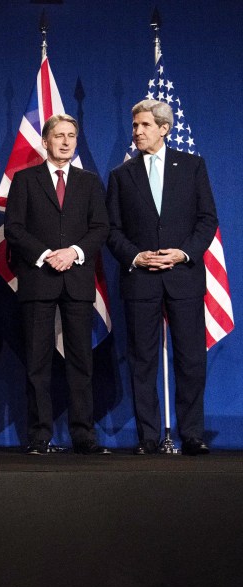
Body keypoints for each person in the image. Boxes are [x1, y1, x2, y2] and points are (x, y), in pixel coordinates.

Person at [107, 99, 219, 456]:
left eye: (143, 125)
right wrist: (136, 256)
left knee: (190, 359)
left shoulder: (192, 167)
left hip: (183, 275)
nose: (136, 131)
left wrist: (184, 252)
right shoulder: (121, 175)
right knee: (142, 361)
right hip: (141, 280)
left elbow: (207, 219)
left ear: (164, 129)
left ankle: (192, 434)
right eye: (134, 125)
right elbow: (112, 229)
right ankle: (148, 437)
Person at [5, 114, 110, 455]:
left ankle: (84, 435)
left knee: (81, 362)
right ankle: (39, 436)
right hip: (39, 280)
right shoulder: (24, 180)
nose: (66, 141)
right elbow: (14, 229)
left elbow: (100, 228)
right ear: (45, 142)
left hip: (77, 281)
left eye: (71, 136)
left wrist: (75, 252)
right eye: (59, 136)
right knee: (38, 363)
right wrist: (48, 254)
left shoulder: (90, 182)